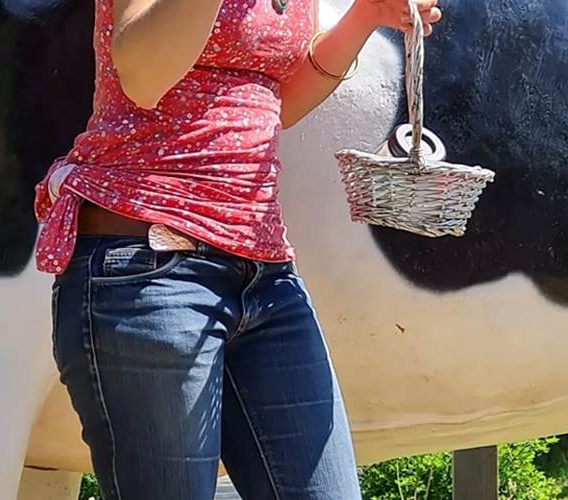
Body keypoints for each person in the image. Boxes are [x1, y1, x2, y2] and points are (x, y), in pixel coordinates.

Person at [33, 0, 441, 497]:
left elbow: (276, 101)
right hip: (146, 268)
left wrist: (364, 17)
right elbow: (143, 73)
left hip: (263, 274)